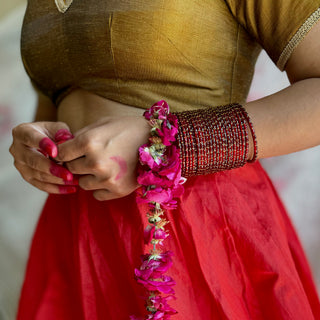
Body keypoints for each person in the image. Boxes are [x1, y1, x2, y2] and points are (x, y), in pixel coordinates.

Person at [10, 0, 320, 319]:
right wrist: (39, 149)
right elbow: (58, 105)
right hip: (76, 241)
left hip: (195, 225)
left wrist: (165, 143)